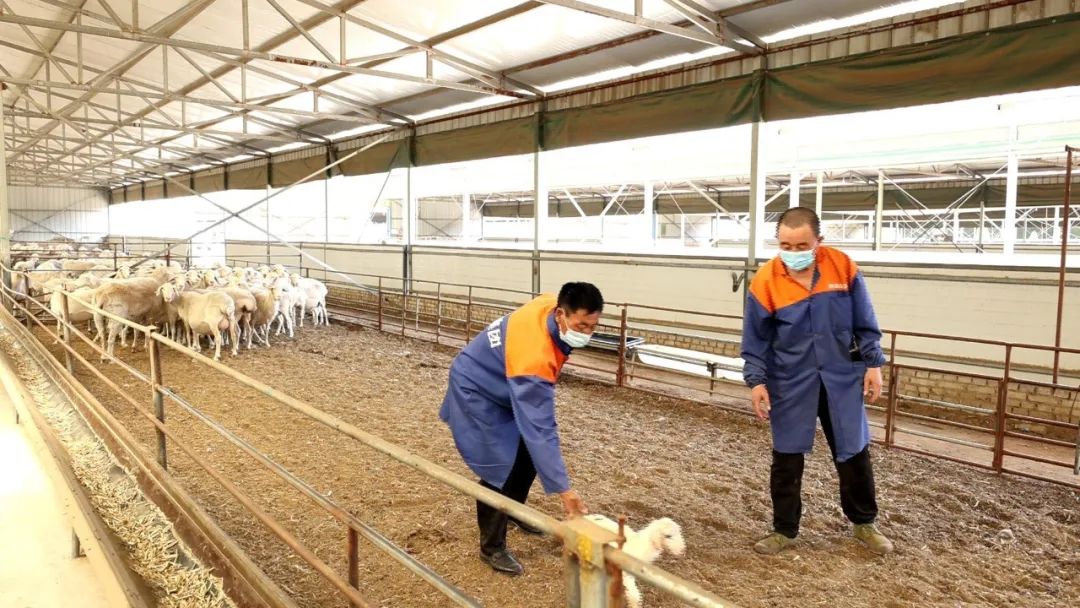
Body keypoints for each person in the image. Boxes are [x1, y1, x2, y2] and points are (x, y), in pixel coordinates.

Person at [741, 207, 894, 556]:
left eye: (801, 246)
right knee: (787, 456)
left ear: (818, 241)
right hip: (790, 379)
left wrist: (873, 364)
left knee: (853, 451)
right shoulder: (765, 280)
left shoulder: (843, 267)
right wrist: (756, 381)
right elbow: (755, 338)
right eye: (785, 246)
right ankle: (784, 530)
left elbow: (865, 319)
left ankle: (865, 523)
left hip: (841, 376)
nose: (793, 252)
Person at [440, 282, 603, 575]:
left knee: (527, 452)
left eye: (593, 326)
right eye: (581, 325)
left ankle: (513, 509)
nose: (586, 333)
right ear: (560, 314)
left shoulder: (548, 303)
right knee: (499, 463)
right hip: (477, 386)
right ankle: (492, 547)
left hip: (504, 379)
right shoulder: (534, 358)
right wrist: (565, 491)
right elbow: (541, 428)